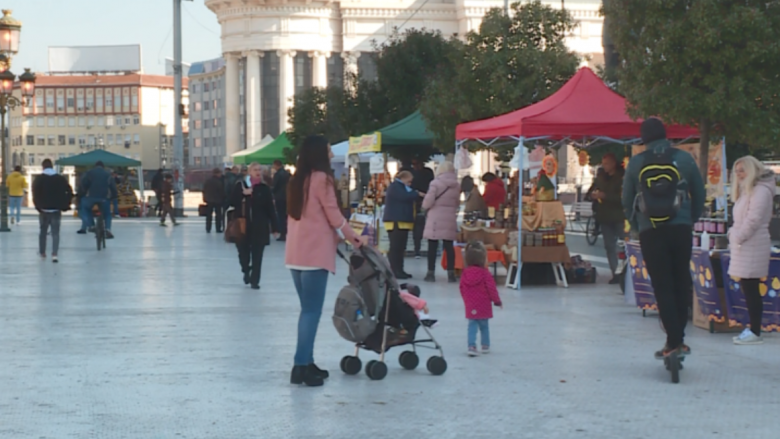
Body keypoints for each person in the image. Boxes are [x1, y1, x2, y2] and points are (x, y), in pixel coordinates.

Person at [622, 118, 705, 359]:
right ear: (665, 134)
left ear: (643, 138)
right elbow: (699, 192)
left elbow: (627, 200)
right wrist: (691, 218)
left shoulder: (637, 163)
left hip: (651, 230)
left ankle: (673, 340)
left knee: (662, 284)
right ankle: (678, 339)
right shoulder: (685, 159)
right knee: (681, 279)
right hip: (681, 228)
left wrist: (637, 224)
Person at [285, 135, 363, 387]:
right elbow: (334, 216)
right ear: (319, 153)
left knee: (306, 311)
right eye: (329, 150)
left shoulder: (298, 180)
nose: (331, 154)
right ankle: (300, 367)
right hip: (314, 256)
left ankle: (306, 361)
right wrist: (355, 239)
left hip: (295, 255)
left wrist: (336, 236)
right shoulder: (322, 179)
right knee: (311, 312)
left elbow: (308, 218)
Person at [728, 156, 774, 345]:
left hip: (752, 244)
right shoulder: (748, 191)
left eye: (742, 170)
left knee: (751, 288)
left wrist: (736, 236)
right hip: (745, 244)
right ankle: (752, 328)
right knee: (748, 288)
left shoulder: (760, 191)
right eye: (736, 171)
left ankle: (755, 330)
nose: (739, 174)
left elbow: (753, 219)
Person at [230, 163, 278, 289]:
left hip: (259, 226)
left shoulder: (264, 188)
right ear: (249, 172)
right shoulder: (240, 185)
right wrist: (243, 194)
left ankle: (255, 280)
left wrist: (275, 227)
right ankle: (246, 270)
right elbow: (230, 202)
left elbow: (270, 209)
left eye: (260, 170)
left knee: (258, 254)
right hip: (243, 225)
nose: (258, 172)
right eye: (255, 170)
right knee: (243, 252)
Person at [459, 241, 502, 357]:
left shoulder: (465, 273)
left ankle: (471, 346)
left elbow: (461, 288)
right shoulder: (485, 274)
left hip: (471, 304)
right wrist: (497, 301)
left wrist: (466, 300)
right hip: (484, 304)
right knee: (484, 326)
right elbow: (491, 288)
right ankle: (485, 345)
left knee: (472, 326)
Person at [422, 162, 460, 283]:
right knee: (449, 246)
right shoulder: (456, 185)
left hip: (435, 218)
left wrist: (424, 206)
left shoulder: (435, 183)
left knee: (432, 246)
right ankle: (451, 273)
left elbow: (428, 201)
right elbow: (457, 202)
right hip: (449, 217)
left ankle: (430, 273)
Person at [590, 153, 625, 284]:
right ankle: (615, 272)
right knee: (609, 246)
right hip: (604, 216)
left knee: (624, 244)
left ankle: (626, 272)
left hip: (619, 216)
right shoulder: (600, 177)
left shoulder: (621, 177)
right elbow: (591, 191)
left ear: (613, 164)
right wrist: (593, 195)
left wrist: (605, 196)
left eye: (607, 164)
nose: (604, 166)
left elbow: (622, 197)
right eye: (603, 164)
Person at [383, 170, 424, 279]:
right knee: (395, 248)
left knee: (401, 248)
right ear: (403, 178)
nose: (410, 184)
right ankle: (394, 270)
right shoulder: (395, 187)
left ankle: (400, 270)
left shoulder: (401, 187)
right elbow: (404, 197)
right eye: (409, 181)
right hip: (395, 222)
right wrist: (416, 194)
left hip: (402, 222)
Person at [32, 159, 73, 263]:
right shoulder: (60, 179)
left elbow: (35, 193)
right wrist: (66, 204)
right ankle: (54, 253)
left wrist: (38, 206)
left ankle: (42, 252)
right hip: (56, 209)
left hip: (43, 209)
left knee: (43, 231)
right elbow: (69, 191)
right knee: (55, 232)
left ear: (43, 167)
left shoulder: (39, 179)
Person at [79, 161, 118, 238]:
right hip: (104, 198)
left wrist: (82, 194)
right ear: (103, 167)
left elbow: (84, 184)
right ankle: (108, 229)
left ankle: (91, 225)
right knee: (107, 214)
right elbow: (113, 187)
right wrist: (113, 196)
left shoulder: (89, 173)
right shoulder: (108, 175)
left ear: (95, 166)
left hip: (90, 197)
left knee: (85, 208)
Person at [411, 159, 435, 258]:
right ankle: (422, 249)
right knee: (422, 226)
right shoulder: (428, 172)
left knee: (418, 227)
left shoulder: (413, 173)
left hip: (417, 203)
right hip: (426, 201)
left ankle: (418, 250)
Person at [202, 168, 226, 233]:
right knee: (218, 216)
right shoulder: (219, 182)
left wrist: (205, 198)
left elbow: (204, 190)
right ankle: (218, 228)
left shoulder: (208, 181)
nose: (221, 174)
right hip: (217, 201)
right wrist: (223, 199)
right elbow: (222, 191)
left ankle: (208, 228)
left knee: (209, 215)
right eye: (220, 173)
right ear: (217, 173)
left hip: (209, 200)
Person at [272, 159, 291, 241]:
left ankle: (283, 233)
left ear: (276, 165)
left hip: (279, 197)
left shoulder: (277, 175)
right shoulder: (287, 173)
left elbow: (275, 186)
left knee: (280, 215)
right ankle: (288, 232)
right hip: (287, 196)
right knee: (286, 215)